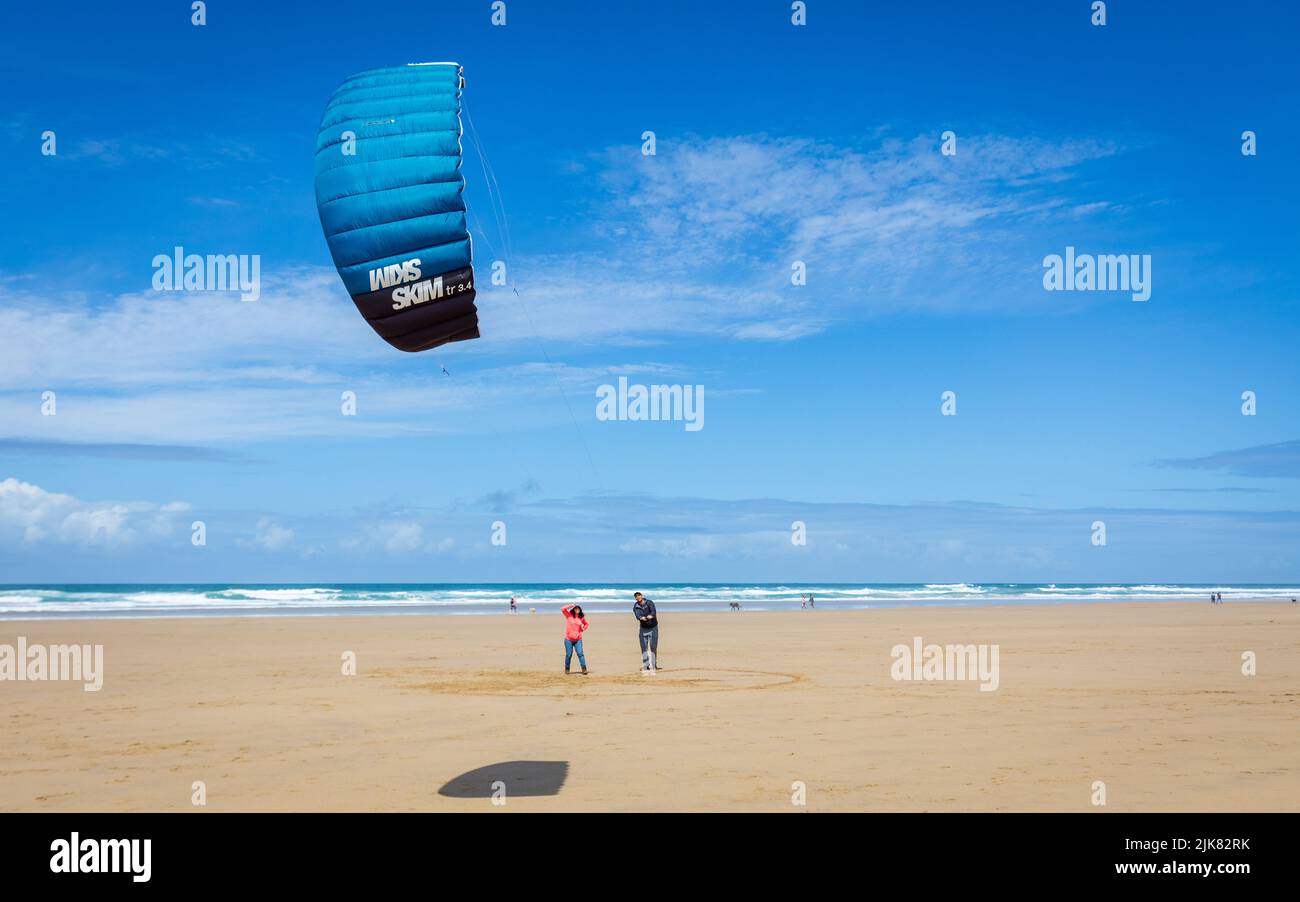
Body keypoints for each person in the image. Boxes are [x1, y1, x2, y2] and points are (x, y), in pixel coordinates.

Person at [632, 591, 660, 671]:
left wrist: (651, 615)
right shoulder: (636, 606)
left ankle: (654, 665)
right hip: (643, 629)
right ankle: (646, 665)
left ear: (642, 596)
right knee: (644, 648)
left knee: (653, 647)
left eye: (639, 596)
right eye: (636, 597)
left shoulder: (649, 602)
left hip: (653, 628)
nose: (638, 597)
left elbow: (653, 611)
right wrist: (641, 618)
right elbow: (637, 615)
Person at [561, 603, 589, 675]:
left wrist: (583, 629)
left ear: (580, 610)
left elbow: (586, 624)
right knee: (569, 655)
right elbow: (563, 609)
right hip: (568, 640)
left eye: (578, 608)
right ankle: (567, 669)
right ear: (573, 609)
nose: (577, 610)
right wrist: (572, 605)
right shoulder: (568, 615)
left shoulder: (581, 617)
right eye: (576, 608)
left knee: (580, 654)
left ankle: (584, 669)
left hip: (578, 640)